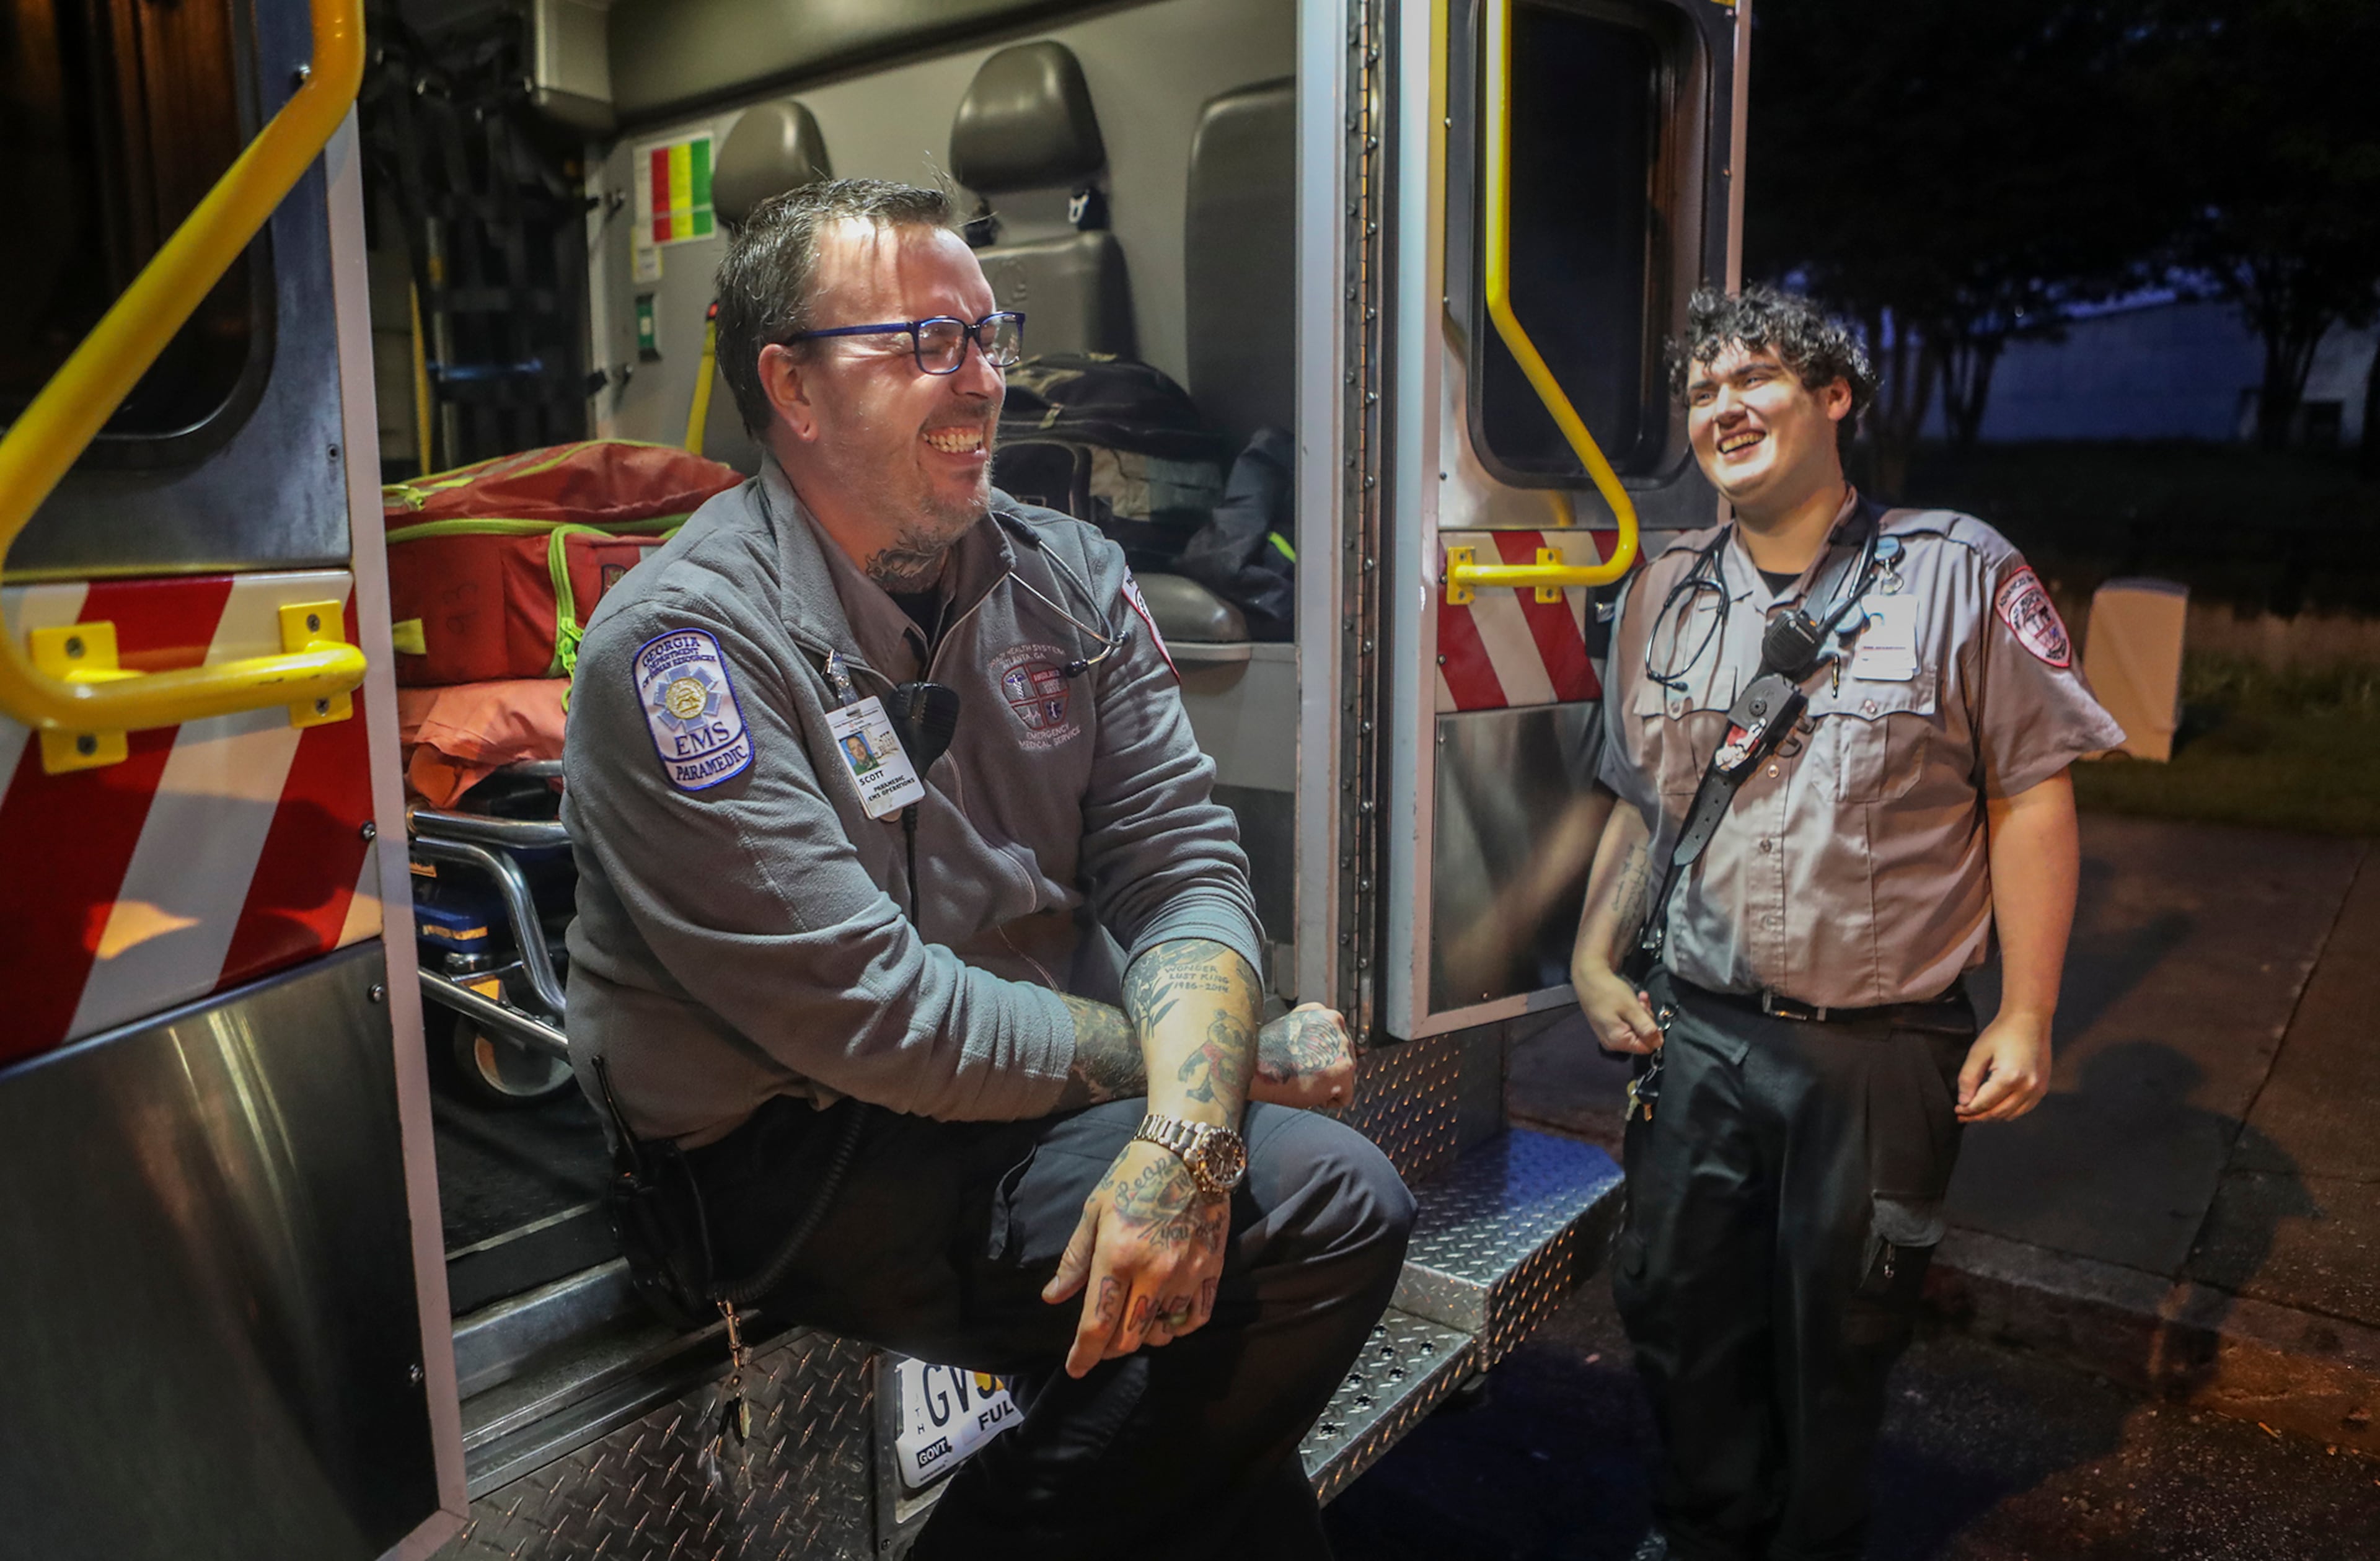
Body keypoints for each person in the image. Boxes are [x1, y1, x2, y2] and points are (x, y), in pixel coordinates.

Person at [562, 178, 1413, 1559]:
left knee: (1233, 1477)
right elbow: (876, 1016)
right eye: (926, 344)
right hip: (794, 1145)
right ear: (794, 387)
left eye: (988, 336)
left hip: (1013, 1101)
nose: (984, 382)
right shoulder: (686, 651)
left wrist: (1187, 1140)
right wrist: (1212, 1073)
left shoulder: (1066, 575)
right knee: (1325, 1205)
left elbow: (1180, 861)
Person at [1569, 286, 2125, 1561]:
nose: (1724, 407)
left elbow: (2031, 792)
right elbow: (1642, 803)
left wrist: (2032, 1010)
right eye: (1703, 391)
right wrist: (1596, 959)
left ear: (1835, 399)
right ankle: (1707, 1532)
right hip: (1695, 1038)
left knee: (1841, 1339)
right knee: (1678, 1315)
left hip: (1876, 1057)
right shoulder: (1663, 591)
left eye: (1754, 378)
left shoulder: (1957, 568)